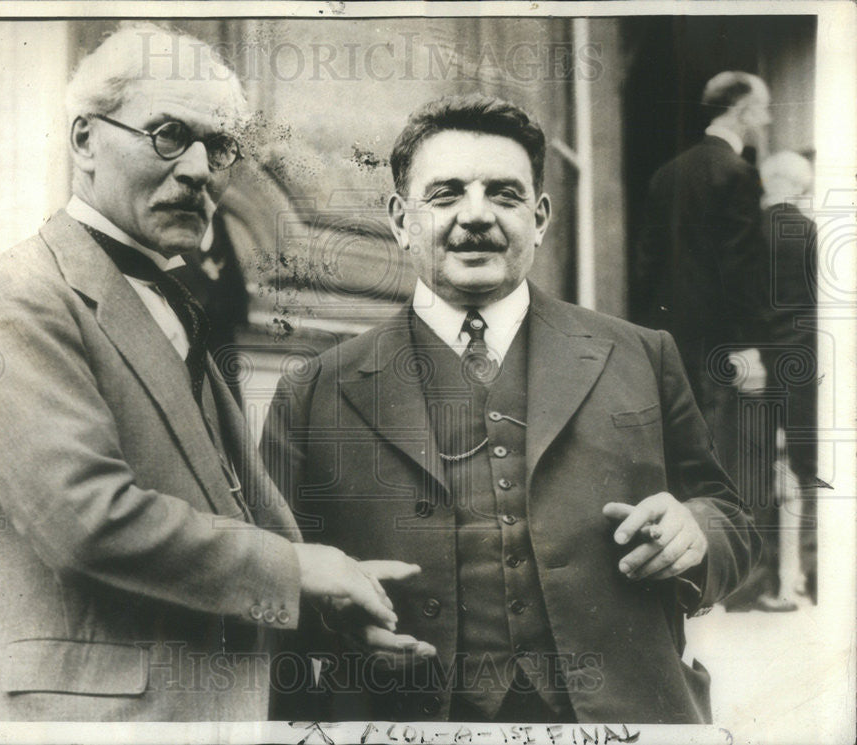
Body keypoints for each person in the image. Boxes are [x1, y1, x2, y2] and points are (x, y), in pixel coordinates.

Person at [0, 25, 414, 722]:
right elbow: (87, 521)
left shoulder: (172, 301)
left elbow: (226, 511)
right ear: (85, 140)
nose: (198, 170)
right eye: (166, 134)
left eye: (217, 147)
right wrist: (299, 570)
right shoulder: (15, 299)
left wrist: (326, 603)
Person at [262, 94, 761, 724]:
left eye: (504, 194)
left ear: (541, 216)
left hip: (626, 718)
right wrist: (330, 622)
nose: (477, 217)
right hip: (402, 720)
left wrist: (698, 533)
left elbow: (733, 522)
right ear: (398, 218)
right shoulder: (314, 393)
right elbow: (267, 578)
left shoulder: (641, 355)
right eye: (445, 195)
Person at [634, 71, 773, 483]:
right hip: (722, 350)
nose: (766, 122)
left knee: (677, 463)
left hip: (668, 347)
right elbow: (740, 268)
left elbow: (646, 267)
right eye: (763, 111)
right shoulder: (738, 173)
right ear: (743, 111)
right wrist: (747, 347)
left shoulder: (666, 174)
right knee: (725, 467)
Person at [727, 151, 820, 612]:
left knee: (753, 469)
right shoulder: (810, 232)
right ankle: (812, 575)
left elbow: (735, 301)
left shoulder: (744, 234)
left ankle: (752, 584)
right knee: (811, 468)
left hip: (756, 362)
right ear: (799, 185)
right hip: (804, 361)